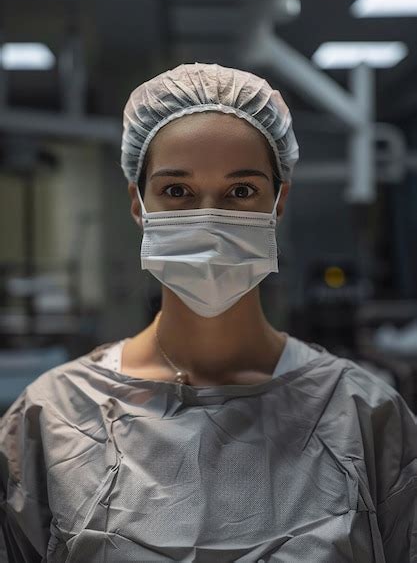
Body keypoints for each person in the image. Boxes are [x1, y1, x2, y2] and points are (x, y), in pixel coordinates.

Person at [0, 63, 416, 562]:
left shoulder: (365, 415)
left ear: (277, 203)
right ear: (138, 204)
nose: (210, 218)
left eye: (241, 192)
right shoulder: (54, 418)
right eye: (177, 191)